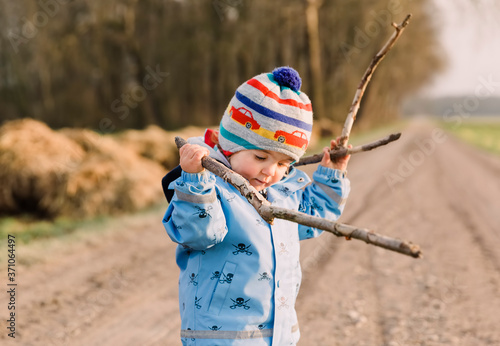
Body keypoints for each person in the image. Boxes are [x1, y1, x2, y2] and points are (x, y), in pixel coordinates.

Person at [162, 66, 351, 345]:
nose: (270, 172)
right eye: (260, 157)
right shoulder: (210, 186)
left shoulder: (281, 192)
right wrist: (194, 180)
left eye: (283, 163)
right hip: (220, 334)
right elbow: (198, 232)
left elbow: (315, 214)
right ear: (229, 145)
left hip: (277, 332)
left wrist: (332, 175)